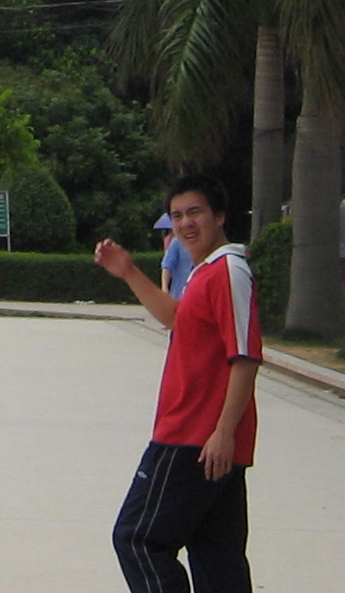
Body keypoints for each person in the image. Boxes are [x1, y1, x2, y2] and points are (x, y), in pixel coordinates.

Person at [94, 174, 261, 593]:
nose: (186, 223)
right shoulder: (206, 271)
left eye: (195, 212)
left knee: (137, 538)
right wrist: (129, 272)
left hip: (193, 438)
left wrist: (223, 432)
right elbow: (177, 318)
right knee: (217, 558)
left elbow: (245, 356)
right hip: (205, 440)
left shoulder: (228, 270)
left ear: (219, 216)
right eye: (177, 215)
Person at [156, 212, 193, 298]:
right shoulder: (177, 242)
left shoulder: (205, 242)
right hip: (180, 292)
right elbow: (167, 266)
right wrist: (164, 287)